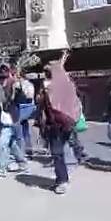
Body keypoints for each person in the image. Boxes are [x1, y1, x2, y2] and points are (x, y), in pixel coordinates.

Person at [35, 57, 77, 194]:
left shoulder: (59, 86)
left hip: (60, 123)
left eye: (47, 72)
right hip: (59, 123)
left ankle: (62, 180)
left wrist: (47, 93)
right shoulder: (65, 83)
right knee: (58, 152)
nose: (45, 75)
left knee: (57, 153)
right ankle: (62, 178)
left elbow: (57, 103)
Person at [0, 63, 28, 178]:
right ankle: (22, 162)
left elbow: (23, 99)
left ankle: (1, 168)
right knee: (11, 142)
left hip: (13, 117)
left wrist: (18, 90)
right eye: (0, 77)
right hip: (4, 117)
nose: (2, 79)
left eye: (4, 76)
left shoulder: (14, 84)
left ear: (8, 74)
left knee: (4, 142)